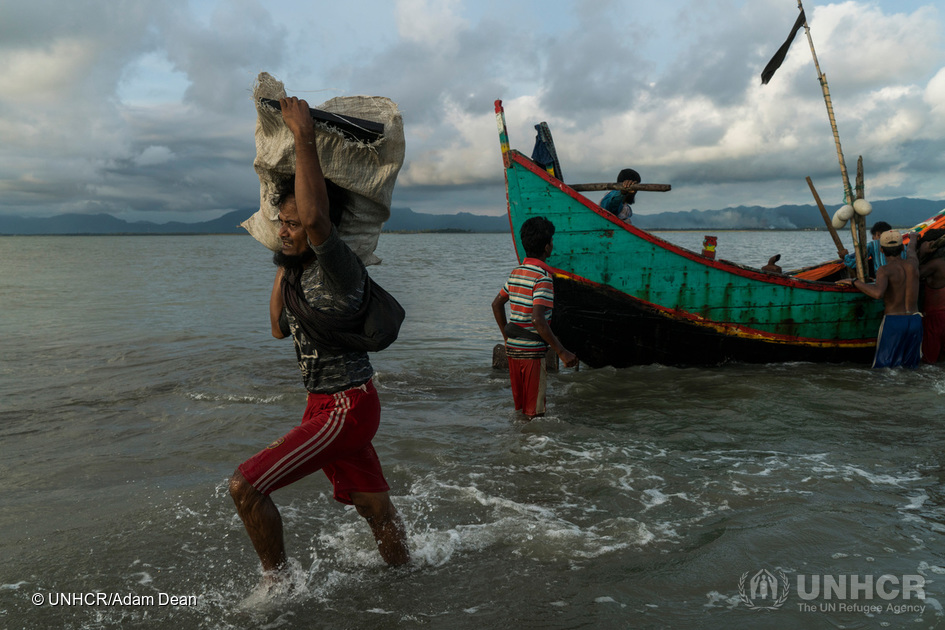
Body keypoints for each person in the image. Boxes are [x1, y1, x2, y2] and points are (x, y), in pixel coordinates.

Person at [229, 96, 409, 582]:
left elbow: (315, 221)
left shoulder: (340, 269)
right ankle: (409, 576)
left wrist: (305, 137)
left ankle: (278, 587)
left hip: (346, 405)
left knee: (245, 486)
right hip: (325, 404)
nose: (286, 230)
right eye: (281, 223)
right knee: (375, 510)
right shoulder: (296, 274)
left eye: (294, 224)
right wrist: (282, 253)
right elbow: (276, 327)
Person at [492, 217, 578, 418]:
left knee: (521, 410)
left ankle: (518, 447)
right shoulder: (542, 278)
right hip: (531, 354)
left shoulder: (516, 273)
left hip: (513, 350)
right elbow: (538, 320)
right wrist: (562, 352)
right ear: (547, 247)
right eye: (552, 241)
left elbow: (496, 304)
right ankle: (532, 448)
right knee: (535, 414)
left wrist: (507, 339)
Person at [838, 229, 922, 368]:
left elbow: (877, 293)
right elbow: (912, 248)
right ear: (902, 247)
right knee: (910, 367)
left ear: (881, 250)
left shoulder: (884, 270)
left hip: (894, 322)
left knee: (884, 369)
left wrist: (855, 282)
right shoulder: (913, 263)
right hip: (915, 320)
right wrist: (913, 236)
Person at [918, 228, 945, 363]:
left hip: (936, 318)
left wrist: (921, 254)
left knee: (929, 361)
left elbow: (912, 274)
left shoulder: (936, 264)